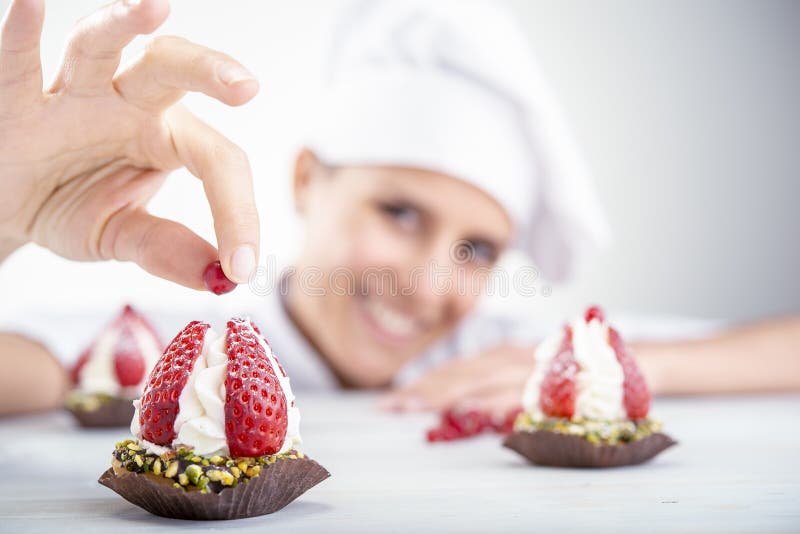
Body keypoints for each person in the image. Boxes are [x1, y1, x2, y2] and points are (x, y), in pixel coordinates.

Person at [2, 0, 798, 418]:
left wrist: (627, 369)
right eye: (402, 214)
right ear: (308, 179)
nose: (426, 286)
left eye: (478, 251)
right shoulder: (181, 348)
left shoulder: (500, 361)